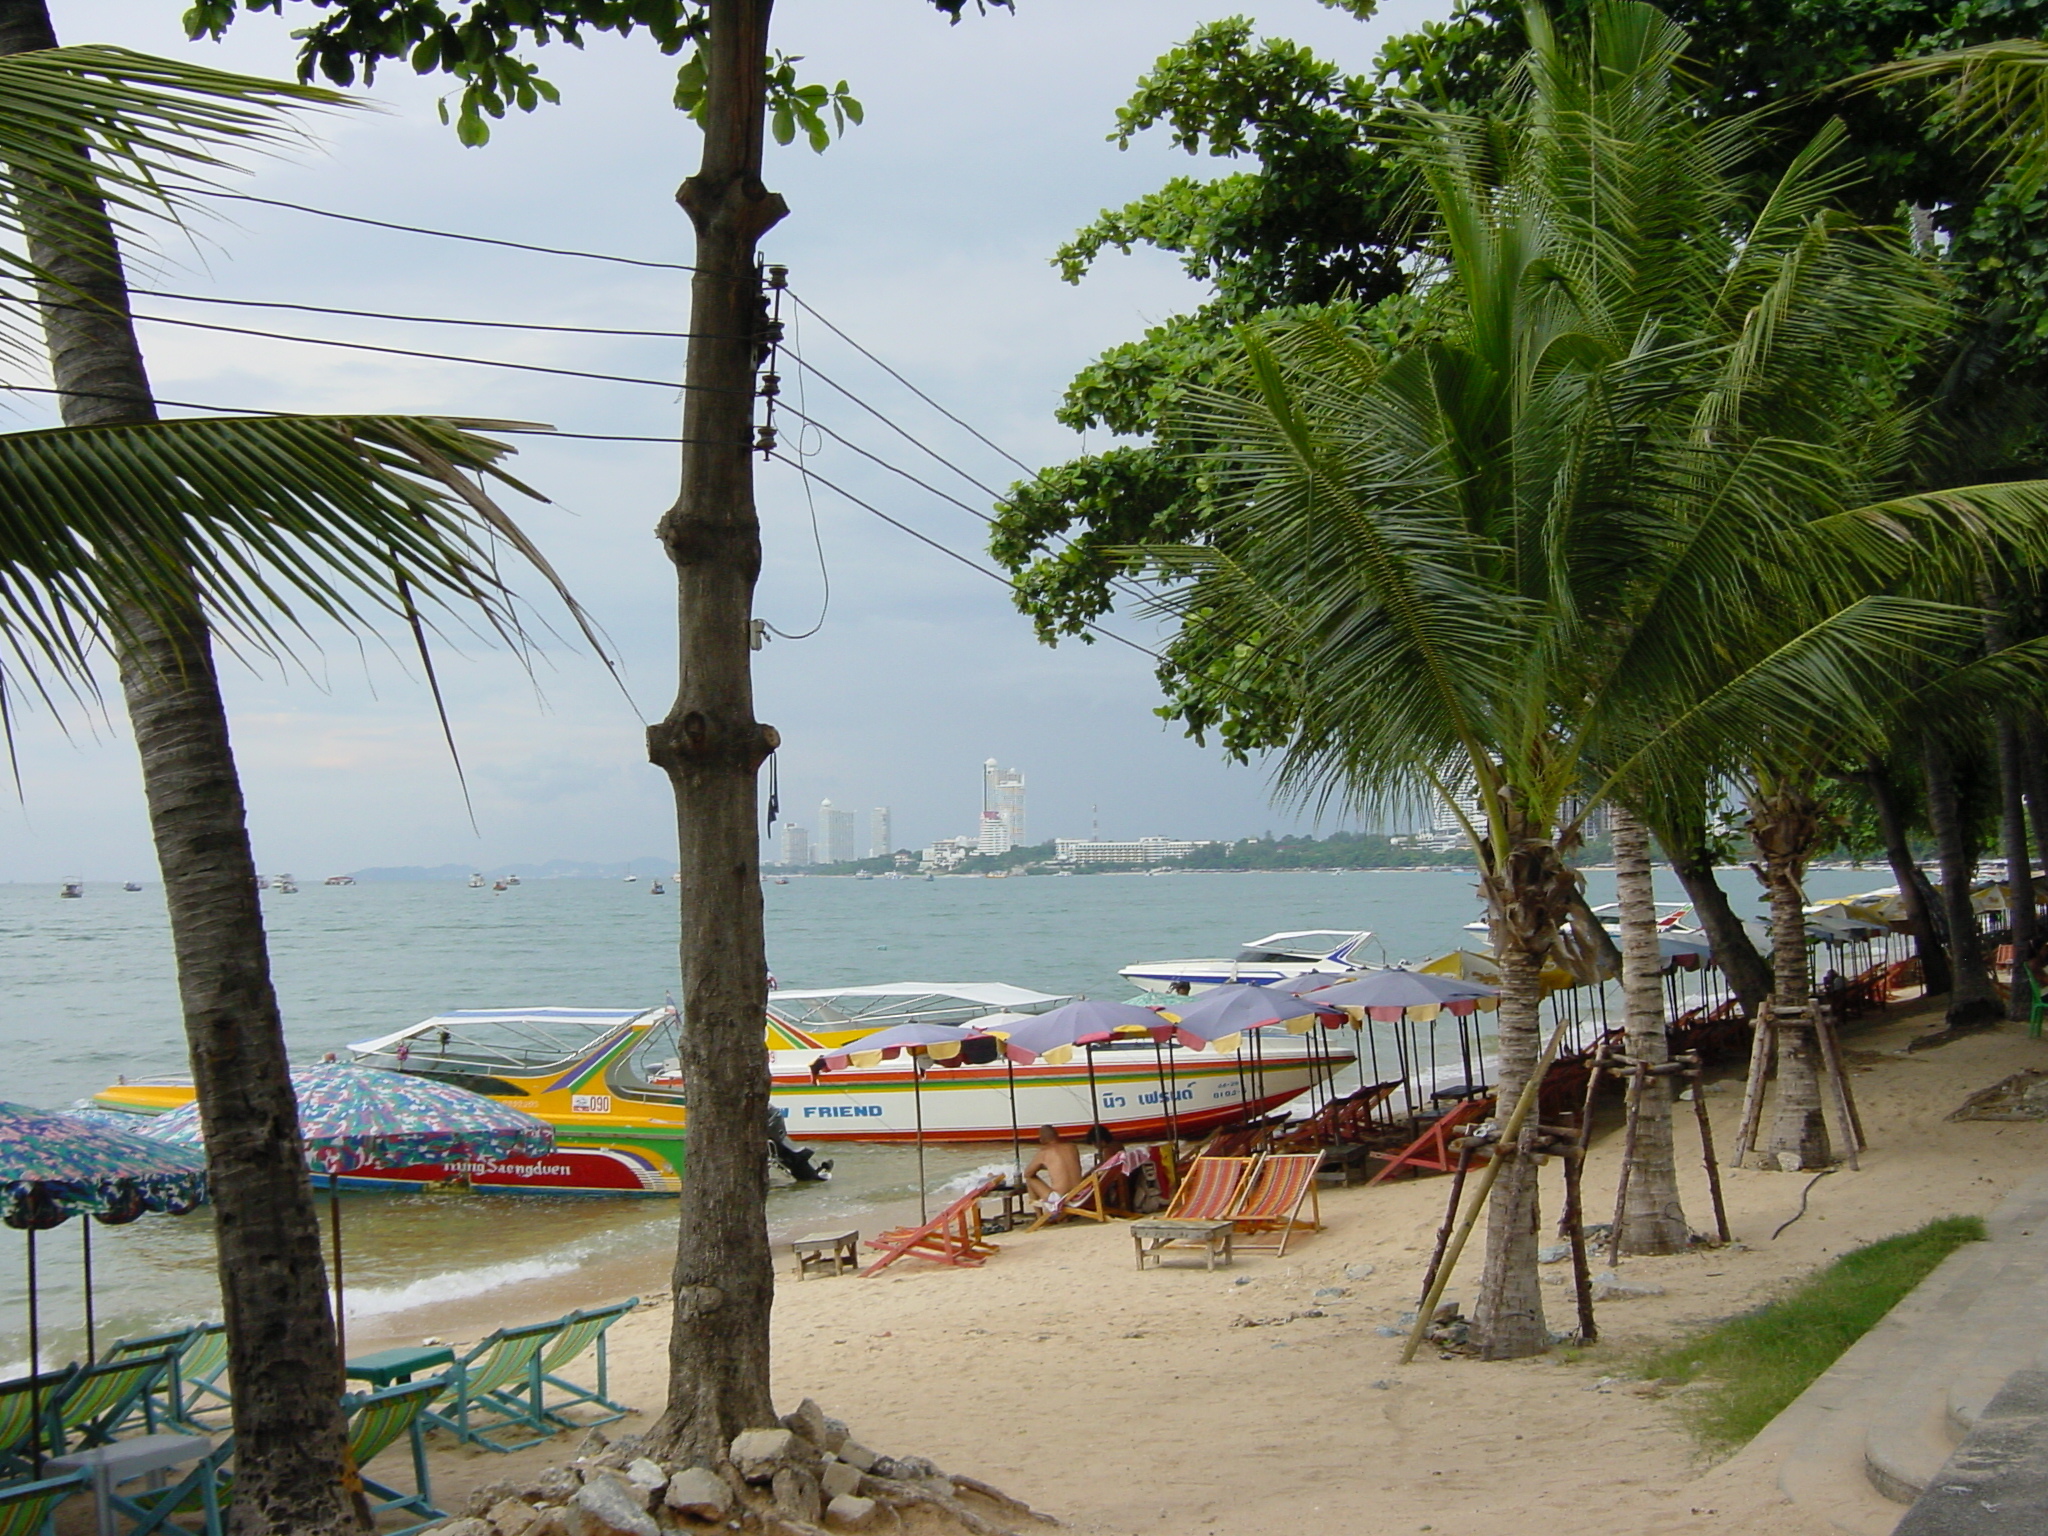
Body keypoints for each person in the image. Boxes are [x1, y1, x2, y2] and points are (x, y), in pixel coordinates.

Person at [1020, 1124, 1082, 1210]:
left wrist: (1043, 1167)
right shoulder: (1072, 1147)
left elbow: (1027, 1173)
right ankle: (1065, 1217)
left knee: (1030, 1179)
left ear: (1041, 1139)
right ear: (1057, 1135)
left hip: (1060, 1198)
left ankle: (1039, 1217)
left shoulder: (1044, 1152)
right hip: (1079, 1194)